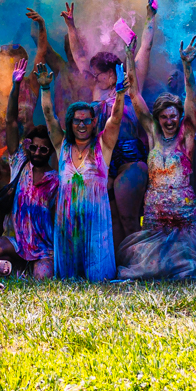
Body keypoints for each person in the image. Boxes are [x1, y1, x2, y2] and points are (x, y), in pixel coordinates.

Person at [117, 38, 196, 281]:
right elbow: (133, 94)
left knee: (188, 269)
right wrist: (129, 56)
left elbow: (192, 100)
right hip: (155, 215)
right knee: (149, 269)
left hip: (183, 217)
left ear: (179, 117)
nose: (169, 121)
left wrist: (187, 66)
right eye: (164, 117)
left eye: (173, 116)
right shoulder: (153, 134)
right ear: (158, 118)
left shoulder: (186, 137)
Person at [38, 63, 121, 281]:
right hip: (67, 225)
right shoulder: (62, 145)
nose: (82, 124)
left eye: (86, 120)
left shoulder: (103, 145)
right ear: (71, 122)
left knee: (97, 280)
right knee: (68, 280)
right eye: (77, 120)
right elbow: (48, 116)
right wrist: (45, 89)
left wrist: (120, 94)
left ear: (94, 122)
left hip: (96, 228)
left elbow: (116, 119)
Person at [0, 63, 57, 276]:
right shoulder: (20, 162)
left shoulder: (55, 180)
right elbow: (11, 121)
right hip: (15, 240)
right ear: (28, 146)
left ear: (50, 151)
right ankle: (18, 266)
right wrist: (15, 85)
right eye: (34, 147)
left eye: (44, 149)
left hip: (43, 247)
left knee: (43, 280)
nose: (38, 152)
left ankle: (23, 269)